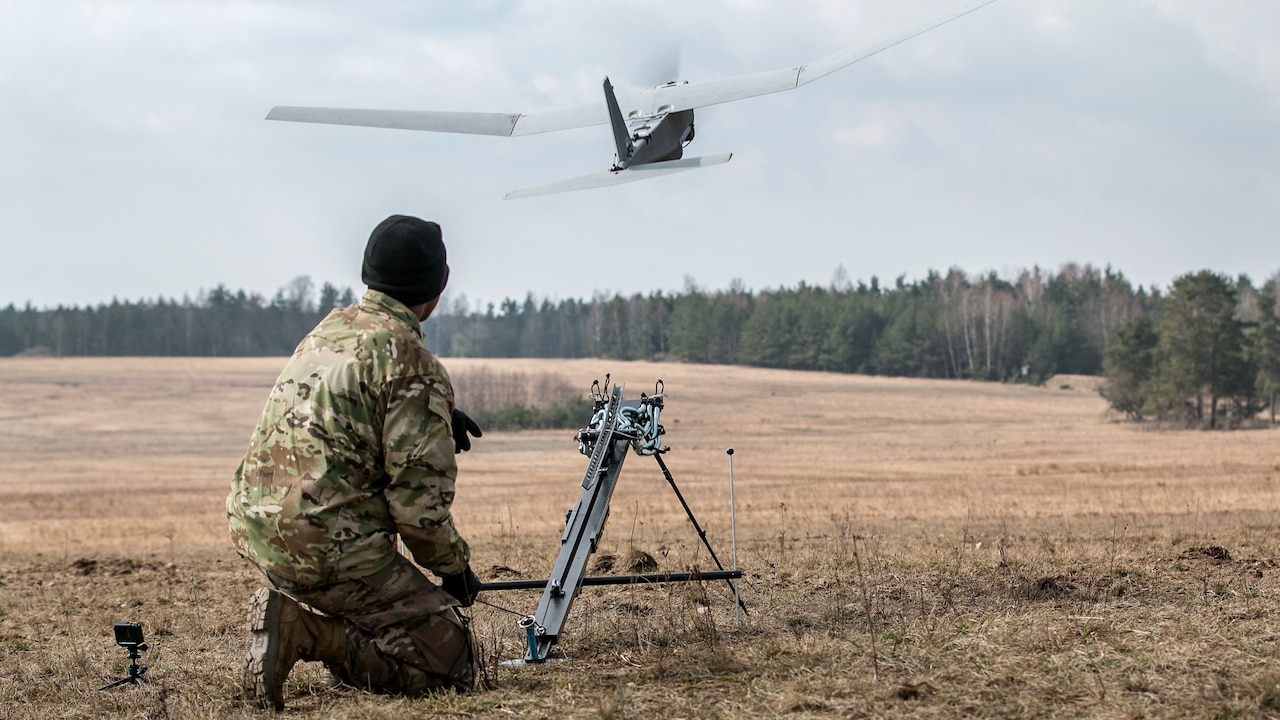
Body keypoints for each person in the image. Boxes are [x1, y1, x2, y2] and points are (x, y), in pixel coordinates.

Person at [226, 214, 484, 711]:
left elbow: (339, 402)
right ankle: (307, 634)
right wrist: (454, 569)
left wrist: (434, 411)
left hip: (256, 530)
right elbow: (418, 510)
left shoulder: (329, 329)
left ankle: (316, 619)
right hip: (327, 547)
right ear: (439, 286)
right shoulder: (412, 363)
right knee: (450, 660)